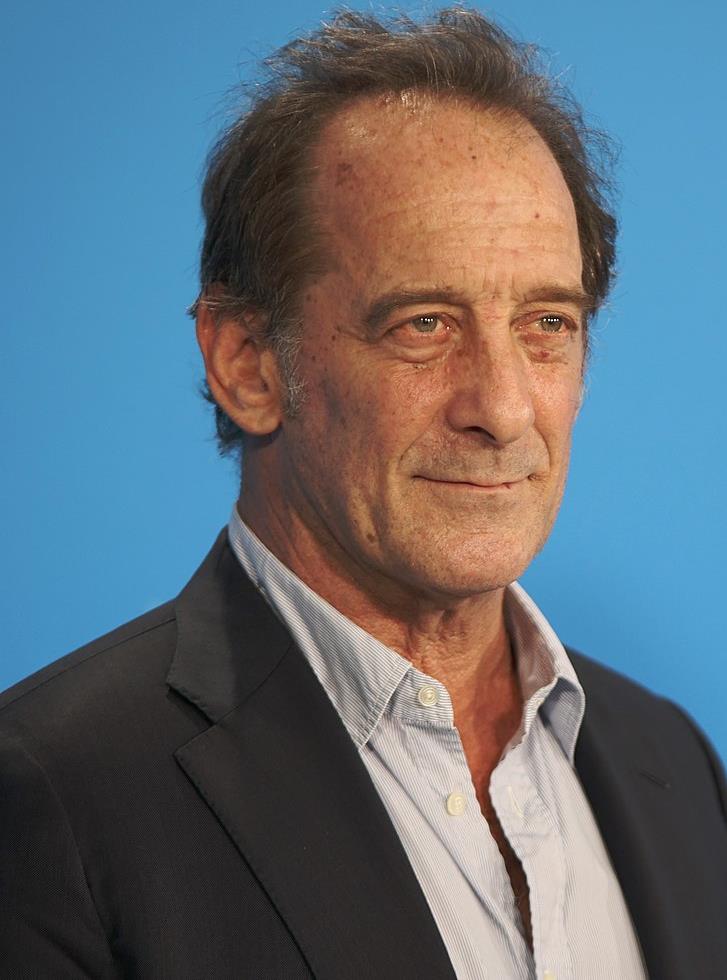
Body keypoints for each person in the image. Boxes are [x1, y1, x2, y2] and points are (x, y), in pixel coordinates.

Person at [1, 7, 725, 978]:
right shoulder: (52, 797)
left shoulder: (672, 765)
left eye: (546, 323)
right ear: (247, 364)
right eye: (423, 324)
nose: (503, 408)